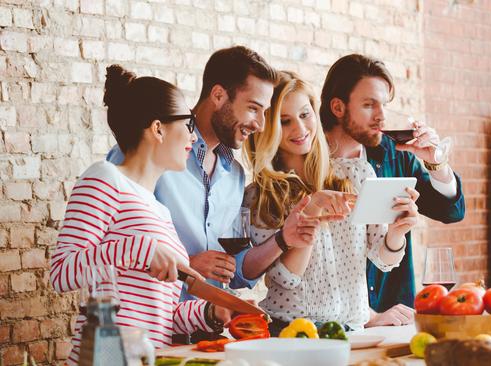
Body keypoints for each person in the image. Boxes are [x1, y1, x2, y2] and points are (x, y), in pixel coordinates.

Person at [50, 65, 235, 365]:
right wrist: (142, 249)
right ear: (158, 128)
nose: (193, 136)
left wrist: (210, 312)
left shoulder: (159, 209)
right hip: (106, 357)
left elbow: (161, 316)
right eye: (188, 125)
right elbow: (62, 273)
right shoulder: (105, 177)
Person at [243, 71, 420, 334]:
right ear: (269, 128)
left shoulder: (357, 174)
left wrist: (397, 233)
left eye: (305, 115)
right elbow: (286, 279)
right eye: (285, 121)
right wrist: (311, 211)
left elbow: (383, 260)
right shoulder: (261, 195)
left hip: (353, 331)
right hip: (292, 332)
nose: (300, 129)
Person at [107, 46, 280, 295]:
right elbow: (111, 252)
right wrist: (186, 264)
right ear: (218, 95)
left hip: (206, 325)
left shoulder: (235, 175)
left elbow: (235, 270)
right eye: (253, 108)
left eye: (264, 112)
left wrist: (287, 238)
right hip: (150, 325)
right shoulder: (148, 149)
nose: (261, 125)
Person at [320, 54, 465, 327]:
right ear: (338, 107)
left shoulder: (393, 154)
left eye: (384, 105)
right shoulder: (308, 161)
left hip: (395, 317)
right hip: (331, 324)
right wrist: (368, 317)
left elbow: (451, 211)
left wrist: (436, 162)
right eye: (368, 105)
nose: (382, 116)